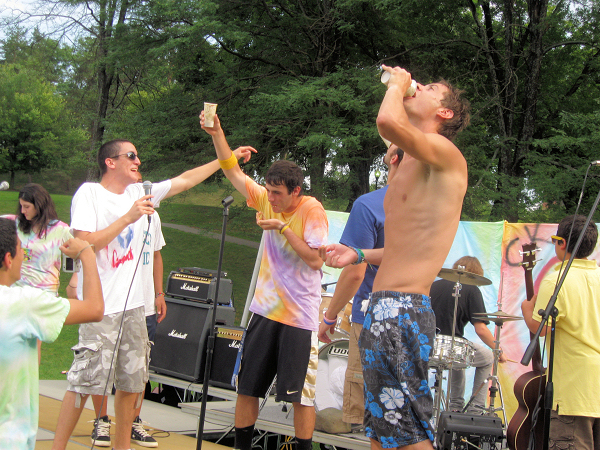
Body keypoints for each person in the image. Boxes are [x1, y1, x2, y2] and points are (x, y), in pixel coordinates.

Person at [51, 139, 253, 450]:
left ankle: (122, 446)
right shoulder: (90, 194)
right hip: (100, 307)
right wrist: (127, 218)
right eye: (131, 156)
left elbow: (185, 180)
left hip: (136, 308)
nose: (138, 161)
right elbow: (84, 245)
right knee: (84, 382)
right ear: (110, 162)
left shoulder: (139, 192)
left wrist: (226, 157)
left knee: (132, 385)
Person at [320, 65, 470, 450]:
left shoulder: (445, 152)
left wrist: (399, 84)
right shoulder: (407, 165)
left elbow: (387, 121)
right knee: (382, 430)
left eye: (431, 87)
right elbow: (400, 248)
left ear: (445, 112)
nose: (420, 86)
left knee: (408, 433)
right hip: (380, 307)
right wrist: (358, 252)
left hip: (403, 310)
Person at [201, 112, 329, 450]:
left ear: (295, 191)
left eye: (277, 193)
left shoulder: (311, 210)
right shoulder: (266, 199)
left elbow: (316, 260)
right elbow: (233, 171)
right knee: (248, 387)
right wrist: (217, 132)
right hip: (265, 310)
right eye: (268, 191)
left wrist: (283, 228)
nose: (270, 198)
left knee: (300, 394)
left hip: (299, 316)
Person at [317, 144, 403, 430]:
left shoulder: (369, 205)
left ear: (394, 159)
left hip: (372, 317)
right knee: (398, 420)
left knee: (362, 421)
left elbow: (355, 274)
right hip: (414, 319)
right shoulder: (430, 208)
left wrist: (330, 316)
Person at [0, 218, 104, 450]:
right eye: (21, 250)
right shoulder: (24, 304)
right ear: (8, 259)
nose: (24, 256)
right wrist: (87, 255)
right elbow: (94, 309)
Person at [85, 174, 168, 448]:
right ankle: (101, 419)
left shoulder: (153, 217)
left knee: (138, 368)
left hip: (144, 303)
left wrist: (159, 293)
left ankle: (133, 422)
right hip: (113, 302)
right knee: (102, 367)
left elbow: (156, 254)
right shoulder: (111, 212)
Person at [521, 215, 600, 450]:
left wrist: (526, 311)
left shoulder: (556, 280)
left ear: (562, 243)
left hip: (574, 391)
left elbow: (540, 329)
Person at [3, 184, 73, 361]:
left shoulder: (60, 230)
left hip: (43, 296)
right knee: (13, 343)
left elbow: (80, 253)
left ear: (39, 205)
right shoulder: (14, 223)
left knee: (32, 345)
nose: (23, 211)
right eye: (21, 206)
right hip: (16, 292)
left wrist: (75, 278)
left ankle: (31, 376)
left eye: (27, 206)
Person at [429, 256, 506, 414]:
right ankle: (474, 409)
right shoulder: (471, 289)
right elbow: (481, 329)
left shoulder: (433, 285)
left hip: (428, 345)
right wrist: (498, 349)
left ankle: (456, 405)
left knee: (461, 351)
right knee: (486, 357)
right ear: (476, 274)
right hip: (449, 347)